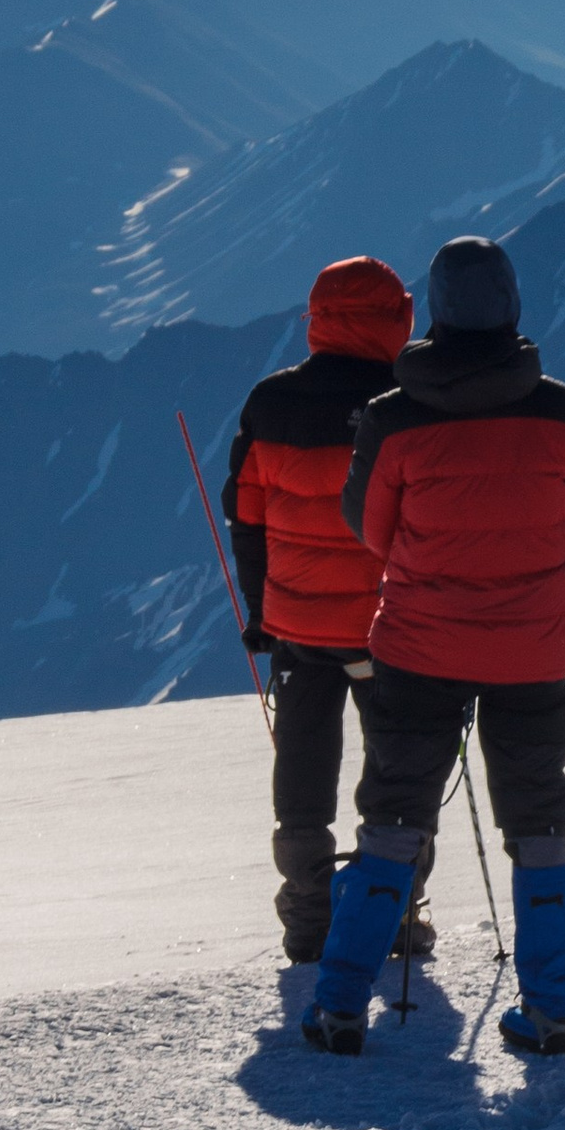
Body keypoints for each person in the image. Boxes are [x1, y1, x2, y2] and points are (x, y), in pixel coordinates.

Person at [302, 235, 565, 1056]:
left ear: (434, 309)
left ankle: (339, 1004)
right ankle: (550, 1011)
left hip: (418, 648)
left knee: (393, 820)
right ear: (512, 304)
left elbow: (369, 531)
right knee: (539, 823)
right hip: (533, 651)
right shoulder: (564, 413)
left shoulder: (395, 418)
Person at [225, 253, 419, 965]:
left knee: (304, 773)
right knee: (398, 771)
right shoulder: (409, 397)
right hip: (386, 630)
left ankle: (308, 917)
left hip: (298, 628)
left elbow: (244, 514)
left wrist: (261, 613)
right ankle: (392, 914)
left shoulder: (270, 400)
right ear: (394, 317)